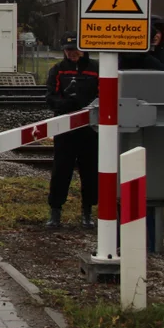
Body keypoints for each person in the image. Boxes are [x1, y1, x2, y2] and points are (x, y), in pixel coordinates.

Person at [44, 30, 100, 230]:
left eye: (75, 49)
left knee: (90, 171)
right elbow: (50, 97)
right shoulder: (58, 70)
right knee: (61, 170)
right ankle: (55, 212)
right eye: (68, 50)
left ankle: (87, 212)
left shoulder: (96, 69)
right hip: (65, 128)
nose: (72, 53)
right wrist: (65, 104)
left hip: (91, 129)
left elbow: (105, 94)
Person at [118, 15, 164, 83]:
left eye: (158, 32)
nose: (155, 36)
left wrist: (147, 58)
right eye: (150, 33)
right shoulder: (129, 54)